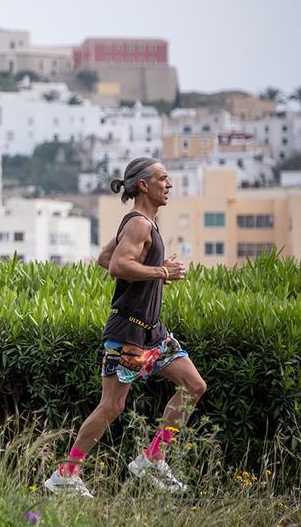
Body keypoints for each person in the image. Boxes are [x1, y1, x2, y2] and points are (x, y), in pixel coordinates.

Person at [45, 157, 206, 497]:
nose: (170, 184)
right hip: (128, 332)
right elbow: (118, 264)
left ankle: (152, 459)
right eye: (164, 178)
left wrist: (151, 266)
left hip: (154, 332)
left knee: (194, 386)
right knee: (112, 407)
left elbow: (106, 258)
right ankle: (65, 474)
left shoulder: (146, 223)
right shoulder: (138, 224)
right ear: (144, 185)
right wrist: (162, 272)